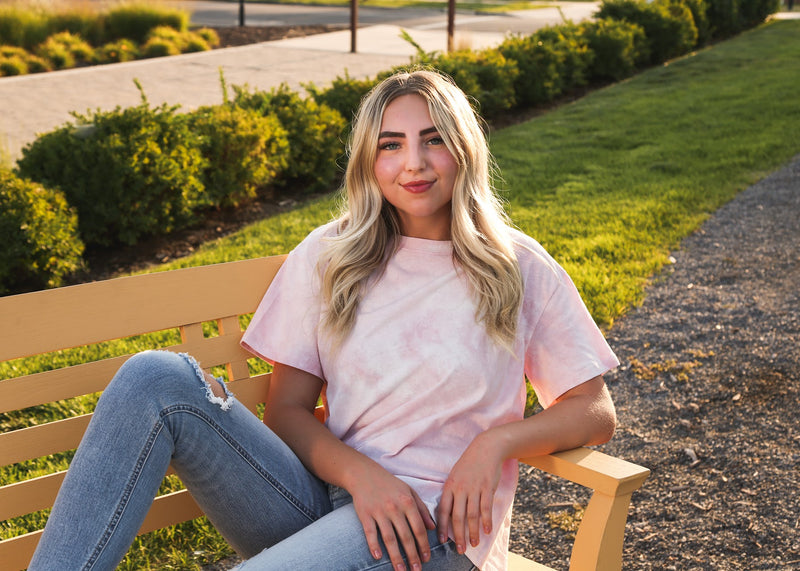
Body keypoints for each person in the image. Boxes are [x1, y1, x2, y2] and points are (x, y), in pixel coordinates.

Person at [29, 69, 618, 571]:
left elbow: (593, 410)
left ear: (463, 149)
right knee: (156, 379)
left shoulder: (516, 266)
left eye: (432, 140)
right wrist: (363, 478)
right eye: (390, 144)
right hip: (328, 500)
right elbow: (287, 410)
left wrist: (495, 443)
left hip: (435, 531)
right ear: (369, 159)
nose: (412, 163)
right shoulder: (331, 255)